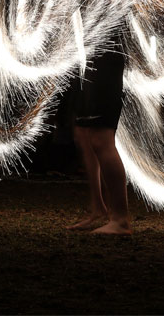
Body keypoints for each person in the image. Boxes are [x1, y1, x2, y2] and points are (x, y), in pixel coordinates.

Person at [66, 31, 132, 235]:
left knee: (100, 137)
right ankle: (98, 208)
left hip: (106, 55)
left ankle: (120, 219)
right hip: (89, 53)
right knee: (83, 134)